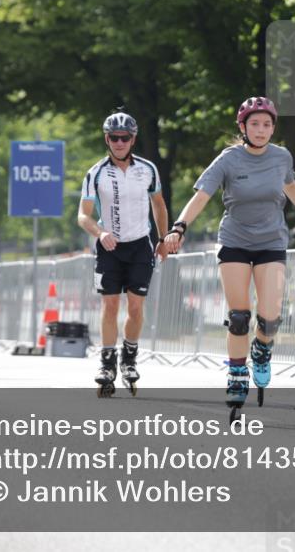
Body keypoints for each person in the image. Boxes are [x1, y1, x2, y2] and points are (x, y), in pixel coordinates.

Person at [163, 96, 295, 411]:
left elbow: (291, 187)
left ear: (273, 128)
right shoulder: (228, 160)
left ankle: (262, 350)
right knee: (239, 317)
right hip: (235, 240)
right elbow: (201, 197)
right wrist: (179, 227)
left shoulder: (281, 157)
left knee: (269, 319)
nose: (261, 129)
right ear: (243, 127)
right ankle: (237, 372)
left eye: (267, 124)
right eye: (254, 124)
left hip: (271, 242)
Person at [77, 109, 169, 396]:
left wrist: (163, 238)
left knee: (136, 307)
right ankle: (106, 363)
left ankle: (129, 357)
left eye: (124, 138)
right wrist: (100, 233)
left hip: (140, 244)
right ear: (107, 139)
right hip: (110, 247)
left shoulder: (148, 169)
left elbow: (159, 205)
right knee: (110, 306)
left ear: (133, 140)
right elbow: (83, 215)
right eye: (114, 138)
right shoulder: (96, 173)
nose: (119, 142)